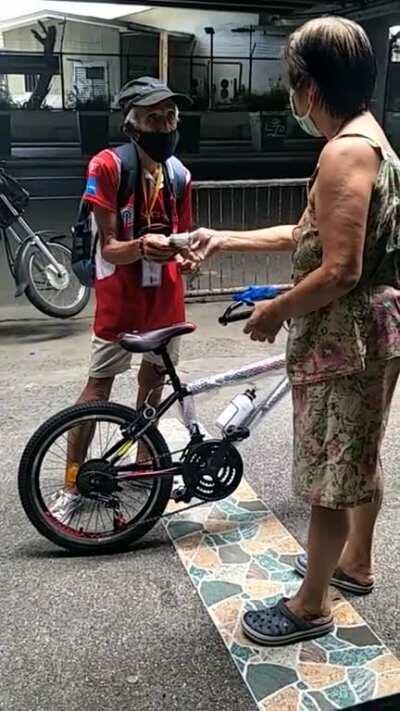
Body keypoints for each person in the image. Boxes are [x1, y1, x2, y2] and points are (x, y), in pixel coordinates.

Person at [192, 17, 400, 645]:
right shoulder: (371, 140)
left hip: (346, 337)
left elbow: (340, 268)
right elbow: (311, 235)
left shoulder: (344, 151)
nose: (293, 95)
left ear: (310, 86)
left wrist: (276, 309)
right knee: (357, 455)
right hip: (374, 331)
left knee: (331, 470)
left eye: (292, 82)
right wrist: (224, 236)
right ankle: (352, 566)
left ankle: (311, 606)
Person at [51, 77, 195, 520]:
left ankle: (143, 462)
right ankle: (74, 478)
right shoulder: (107, 167)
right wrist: (141, 248)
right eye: (155, 118)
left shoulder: (179, 174)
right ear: (132, 126)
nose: (166, 126)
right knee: (99, 387)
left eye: (171, 117)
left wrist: (186, 256)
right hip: (120, 296)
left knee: (153, 382)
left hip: (165, 295)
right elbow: (108, 245)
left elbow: (182, 237)